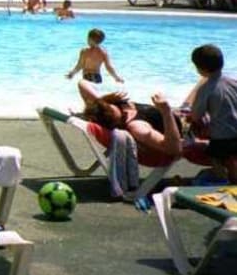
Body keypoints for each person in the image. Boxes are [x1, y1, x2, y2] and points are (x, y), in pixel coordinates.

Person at [78, 79, 182, 160]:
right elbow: (174, 149)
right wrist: (166, 110)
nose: (125, 111)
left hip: (180, 116)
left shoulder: (103, 107)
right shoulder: (138, 127)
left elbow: (82, 83)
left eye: (109, 105)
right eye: (122, 115)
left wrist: (101, 100)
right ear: (114, 122)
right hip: (182, 132)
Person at [185, 44, 237, 183]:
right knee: (233, 158)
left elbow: (196, 115)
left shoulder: (206, 88)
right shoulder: (234, 82)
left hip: (223, 136)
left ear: (200, 69)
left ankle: (222, 180)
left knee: (215, 157)